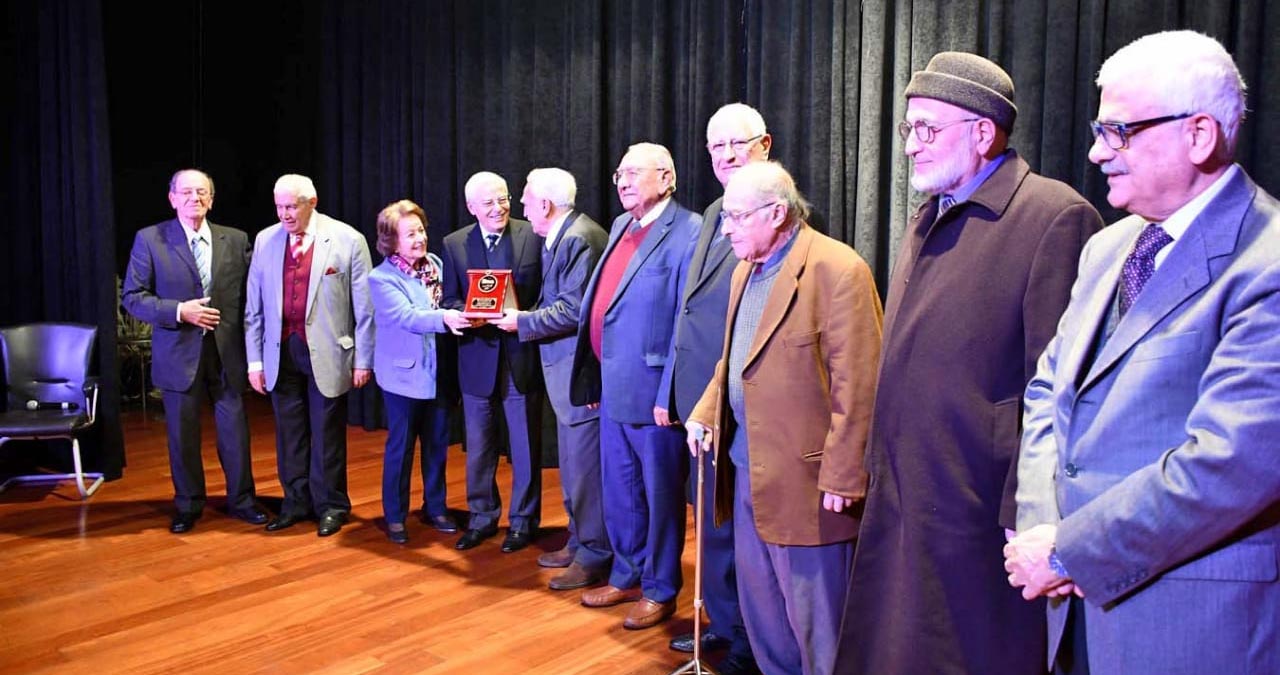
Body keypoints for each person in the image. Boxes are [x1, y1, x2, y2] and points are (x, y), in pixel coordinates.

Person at [1006, 30, 1280, 674]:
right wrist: (1044, 528)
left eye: (1119, 132)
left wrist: (1071, 551)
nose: (1097, 152)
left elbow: (1234, 462)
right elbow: (1049, 389)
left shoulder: (1266, 262)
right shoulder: (1109, 248)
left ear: (1199, 135)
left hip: (1188, 627)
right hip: (1073, 610)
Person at [835, 52, 1103, 674]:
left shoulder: (1055, 217)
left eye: (927, 129)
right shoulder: (931, 213)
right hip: (907, 489)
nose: (911, 146)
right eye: (909, 129)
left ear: (983, 132)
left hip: (980, 511)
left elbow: (1058, 390)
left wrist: (1025, 512)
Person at [685, 161, 881, 675]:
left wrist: (845, 474)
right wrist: (706, 411)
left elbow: (861, 386)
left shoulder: (838, 270)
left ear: (776, 213)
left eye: (736, 217)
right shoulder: (744, 270)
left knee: (818, 628)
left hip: (810, 487)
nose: (725, 230)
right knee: (766, 618)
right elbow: (736, 360)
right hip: (746, 472)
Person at [571, 142, 700, 630]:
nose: (622, 182)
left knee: (660, 497)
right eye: (619, 174)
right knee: (621, 493)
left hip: (654, 396)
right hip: (614, 387)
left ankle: (660, 589)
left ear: (666, 178)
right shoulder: (624, 224)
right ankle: (626, 575)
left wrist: (670, 393)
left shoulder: (688, 231)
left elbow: (685, 322)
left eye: (633, 173)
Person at [664, 103, 769, 673]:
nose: (726, 156)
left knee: (745, 534)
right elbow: (691, 309)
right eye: (716, 146)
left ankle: (751, 642)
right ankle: (724, 628)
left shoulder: (779, 214)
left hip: (743, 403)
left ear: (764, 145)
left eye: (737, 143)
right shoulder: (712, 210)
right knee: (712, 524)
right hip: (703, 400)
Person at [122, 168, 266, 534]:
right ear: (172, 198)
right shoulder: (150, 239)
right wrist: (179, 311)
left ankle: (243, 501)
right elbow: (133, 297)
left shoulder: (236, 239)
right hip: (178, 353)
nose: (194, 198)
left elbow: (253, 295)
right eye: (185, 192)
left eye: (201, 192)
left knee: (235, 432)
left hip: (227, 353)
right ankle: (188, 505)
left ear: (211, 199)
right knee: (182, 435)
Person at [492, 167, 611, 590]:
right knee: (573, 468)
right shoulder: (563, 236)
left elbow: (575, 310)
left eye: (525, 199)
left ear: (544, 204)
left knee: (586, 472)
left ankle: (594, 554)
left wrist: (520, 321)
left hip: (580, 377)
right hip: (564, 377)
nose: (522, 207)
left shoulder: (578, 238)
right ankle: (579, 542)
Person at [244, 173, 374, 537]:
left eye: (291, 207)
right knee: (290, 434)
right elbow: (254, 307)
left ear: (311, 203)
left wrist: (363, 360)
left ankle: (331, 505)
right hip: (281, 351)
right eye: (279, 207)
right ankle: (295, 502)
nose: (284, 214)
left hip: (330, 352)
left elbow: (365, 309)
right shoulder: (266, 239)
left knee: (327, 433)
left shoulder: (347, 239)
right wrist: (255, 361)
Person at [440, 171, 544, 553]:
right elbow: (449, 298)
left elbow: (547, 295)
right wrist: (462, 313)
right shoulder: (454, 244)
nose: (499, 208)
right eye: (489, 203)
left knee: (525, 446)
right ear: (472, 207)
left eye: (503, 199)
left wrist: (524, 317)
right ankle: (482, 518)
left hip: (520, 358)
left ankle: (523, 522)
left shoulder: (533, 234)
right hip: (477, 359)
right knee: (480, 448)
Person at [368, 200, 472, 544]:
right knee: (401, 448)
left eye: (421, 231)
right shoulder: (381, 278)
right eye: (410, 234)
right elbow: (408, 317)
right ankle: (395, 516)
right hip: (403, 376)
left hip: (440, 371)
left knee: (437, 443)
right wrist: (446, 317)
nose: (420, 239)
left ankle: (436, 507)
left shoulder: (437, 264)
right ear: (391, 241)